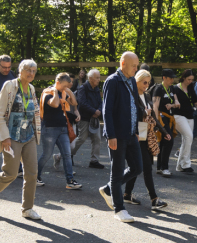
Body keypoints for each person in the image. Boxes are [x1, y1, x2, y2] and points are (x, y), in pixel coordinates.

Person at [0, 59, 43, 220]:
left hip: (28, 135)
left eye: (34, 71)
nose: (31, 73)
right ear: (20, 71)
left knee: (32, 173)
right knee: (10, 173)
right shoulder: (9, 86)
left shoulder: (31, 88)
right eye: (28, 70)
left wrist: (36, 131)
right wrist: (5, 137)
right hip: (11, 136)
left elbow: (34, 112)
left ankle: (27, 208)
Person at [95, 52, 143, 223]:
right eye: (134, 66)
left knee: (137, 167)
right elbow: (106, 110)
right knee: (116, 173)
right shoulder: (112, 81)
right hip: (117, 135)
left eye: (137, 65)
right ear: (123, 64)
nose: (136, 69)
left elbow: (135, 106)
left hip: (131, 133)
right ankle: (119, 209)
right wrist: (110, 135)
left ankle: (108, 189)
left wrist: (136, 129)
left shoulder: (131, 80)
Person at [122, 69, 168, 211]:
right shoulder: (131, 95)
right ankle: (154, 199)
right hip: (136, 134)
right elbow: (130, 114)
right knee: (146, 166)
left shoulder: (147, 95)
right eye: (144, 82)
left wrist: (164, 131)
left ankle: (126, 194)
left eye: (148, 83)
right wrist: (143, 112)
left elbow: (153, 115)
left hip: (147, 134)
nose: (147, 85)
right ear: (136, 81)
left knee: (137, 167)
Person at [36, 73, 81, 189]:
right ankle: (35, 176)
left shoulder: (64, 92)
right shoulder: (48, 93)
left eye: (67, 86)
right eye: (64, 86)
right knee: (46, 155)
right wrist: (56, 92)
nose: (66, 88)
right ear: (57, 83)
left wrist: (69, 92)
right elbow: (55, 104)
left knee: (67, 154)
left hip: (62, 128)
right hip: (49, 129)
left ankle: (70, 181)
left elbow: (74, 103)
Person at [171, 69, 197, 174]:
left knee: (187, 140)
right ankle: (186, 164)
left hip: (189, 116)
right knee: (189, 136)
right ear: (183, 78)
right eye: (188, 79)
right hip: (178, 115)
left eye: (192, 79)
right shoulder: (175, 88)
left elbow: (196, 101)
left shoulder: (191, 87)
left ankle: (180, 166)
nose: (190, 81)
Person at [71, 69, 105, 169]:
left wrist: (99, 111)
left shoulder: (96, 88)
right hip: (85, 118)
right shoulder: (83, 88)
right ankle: (64, 155)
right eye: (97, 78)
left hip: (94, 118)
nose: (99, 79)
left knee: (97, 138)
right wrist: (94, 111)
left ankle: (94, 161)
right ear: (90, 78)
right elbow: (82, 103)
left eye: (99, 77)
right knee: (82, 138)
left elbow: (100, 102)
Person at [149, 69, 179, 178]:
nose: (172, 80)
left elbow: (177, 103)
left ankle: (159, 167)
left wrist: (172, 105)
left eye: (173, 78)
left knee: (164, 142)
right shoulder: (159, 89)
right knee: (168, 140)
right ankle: (164, 168)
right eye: (170, 78)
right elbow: (155, 106)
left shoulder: (172, 88)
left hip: (169, 117)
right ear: (164, 78)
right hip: (161, 117)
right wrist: (156, 123)